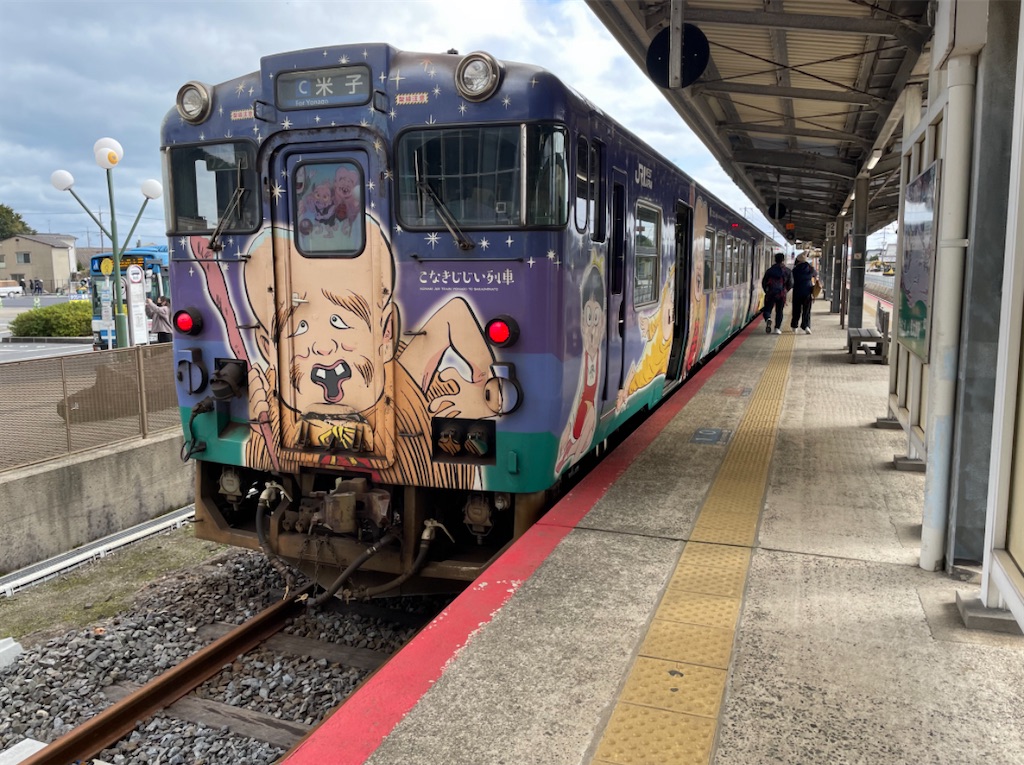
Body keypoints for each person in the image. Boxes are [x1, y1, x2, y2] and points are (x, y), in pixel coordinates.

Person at [761, 252, 793, 335]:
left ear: (775, 260)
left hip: (770, 293)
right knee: (779, 311)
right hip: (781, 294)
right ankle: (777, 328)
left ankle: (768, 319)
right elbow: (791, 283)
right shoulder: (787, 271)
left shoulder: (770, 271)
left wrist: (767, 291)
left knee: (767, 309)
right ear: (783, 260)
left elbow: (764, 282)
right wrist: (785, 290)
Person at [790, 253, 820, 334]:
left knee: (796, 310)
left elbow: (791, 280)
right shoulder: (810, 269)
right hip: (808, 291)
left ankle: (794, 326)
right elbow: (815, 275)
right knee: (806, 310)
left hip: (797, 292)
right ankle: (806, 326)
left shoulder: (795, 270)